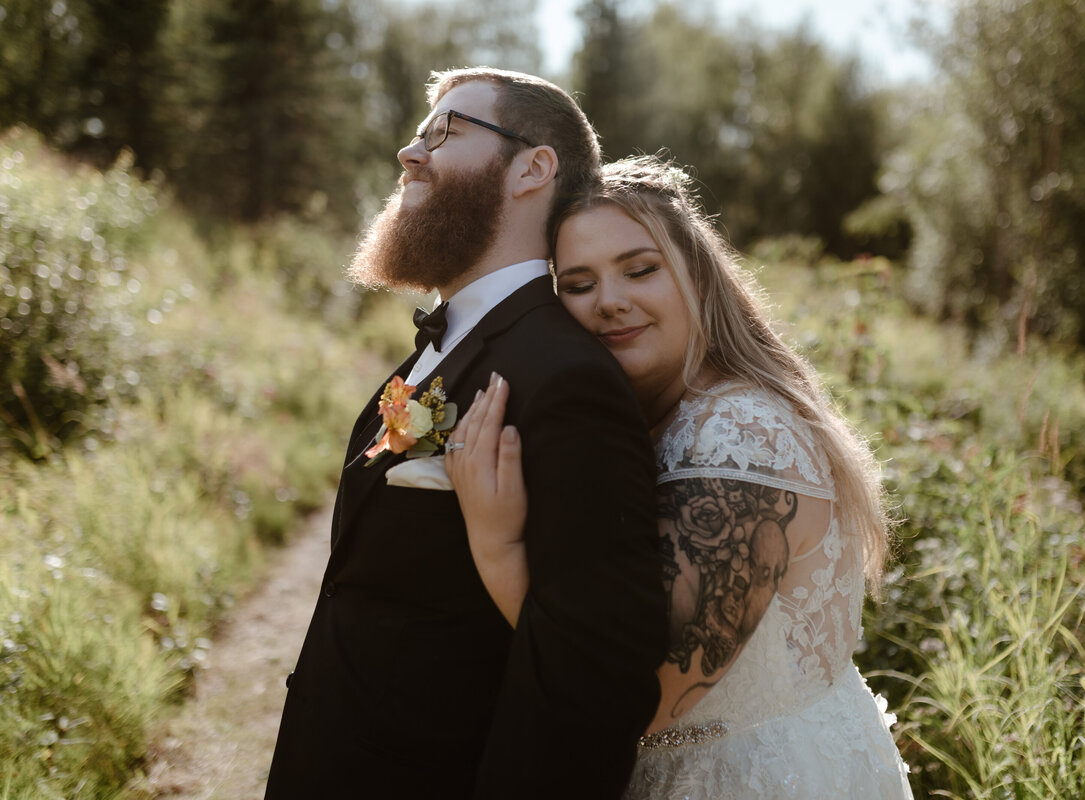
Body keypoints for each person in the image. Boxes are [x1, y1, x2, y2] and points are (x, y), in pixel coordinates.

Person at [446, 155, 914, 799]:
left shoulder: (735, 438)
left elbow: (644, 695)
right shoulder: (664, 423)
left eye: (640, 270)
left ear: (697, 276)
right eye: (578, 285)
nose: (610, 301)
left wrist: (497, 547)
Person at [265, 69, 667, 799]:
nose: (410, 154)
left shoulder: (565, 379)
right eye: (420, 133)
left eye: (445, 131)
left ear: (532, 168)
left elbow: (597, 672)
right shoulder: (445, 341)